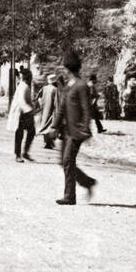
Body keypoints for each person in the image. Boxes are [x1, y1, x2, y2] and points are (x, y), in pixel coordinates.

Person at [56, 50, 97, 205]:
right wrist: (54, 126)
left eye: (65, 67)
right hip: (66, 130)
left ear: (68, 68)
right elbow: (62, 107)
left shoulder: (81, 86)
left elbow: (87, 110)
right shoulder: (69, 85)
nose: (63, 70)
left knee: (67, 160)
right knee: (64, 161)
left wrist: (85, 129)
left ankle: (69, 196)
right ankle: (87, 182)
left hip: (76, 130)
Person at [8, 67, 36, 163]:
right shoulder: (23, 86)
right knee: (19, 133)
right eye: (30, 77)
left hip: (26, 112)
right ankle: (18, 154)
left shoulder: (26, 86)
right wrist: (30, 111)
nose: (31, 78)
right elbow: (22, 102)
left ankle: (25, 152)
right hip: (21, 113)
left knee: (31, 132)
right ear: (27, 77)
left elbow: (27, 100)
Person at [37, 72, 60, 149]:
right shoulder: (55, 89)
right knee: (50, 126)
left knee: (44, 124)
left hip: (44, 110)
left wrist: (41, 104)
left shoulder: (44, 88)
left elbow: (38, 97)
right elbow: (56, 102)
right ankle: (49, 143)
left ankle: (47, 142)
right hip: (51, 110)